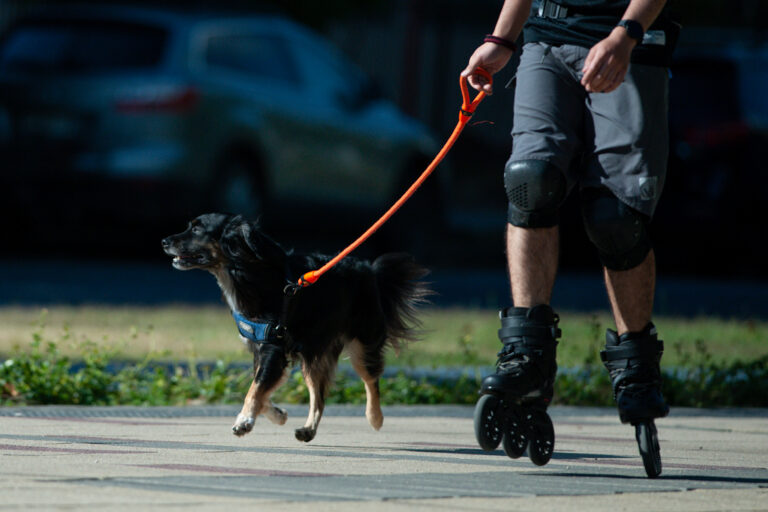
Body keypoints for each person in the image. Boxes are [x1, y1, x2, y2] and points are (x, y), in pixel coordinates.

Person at [463, 0, 678, 476]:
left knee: (616, 217)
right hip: (548, 36)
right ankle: (527, 353)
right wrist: (501, 40)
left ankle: (636, 367)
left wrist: (625, 35)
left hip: (629, 42)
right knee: (529, 182)